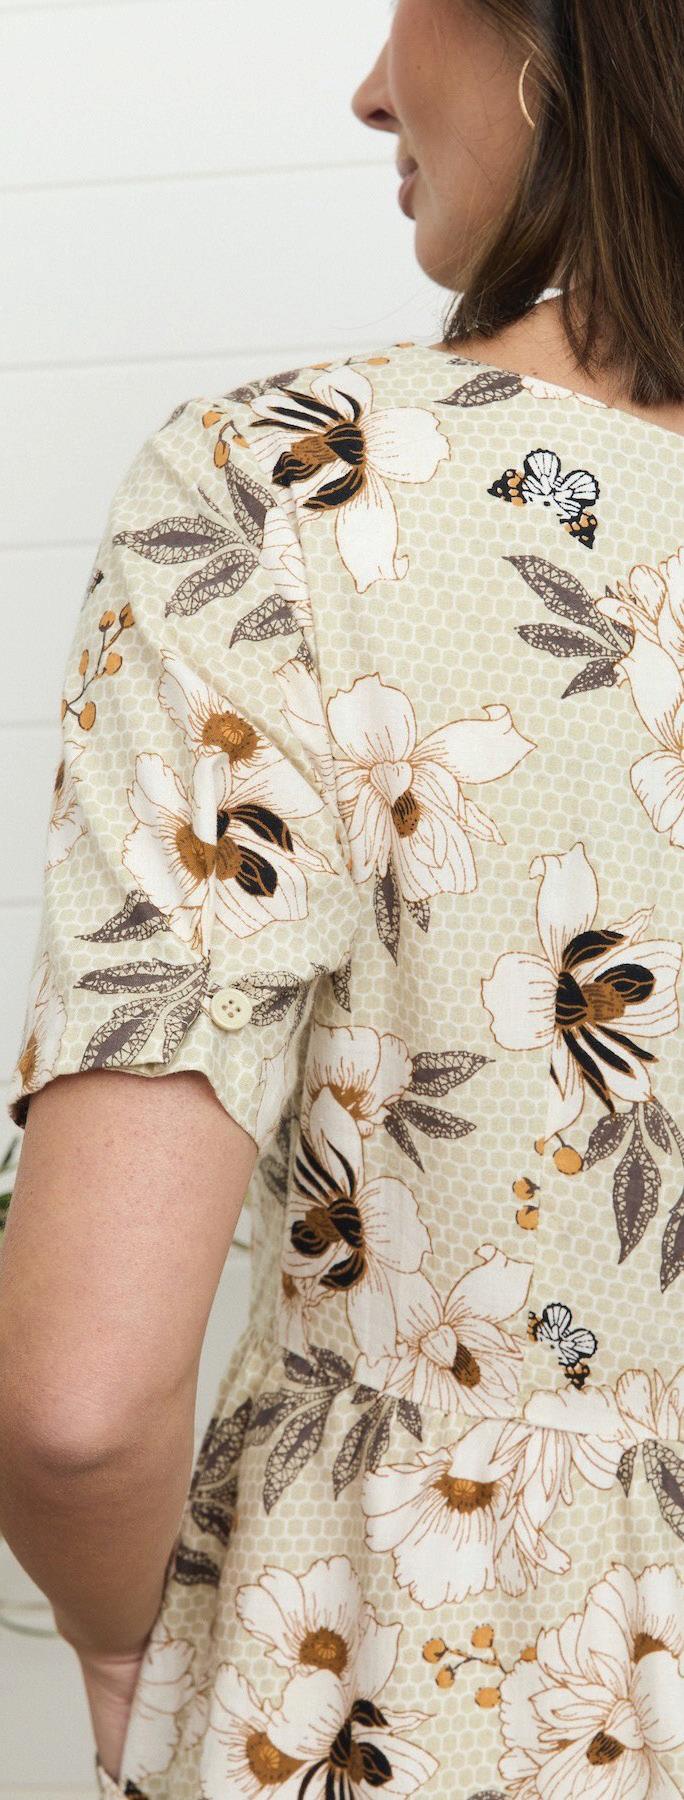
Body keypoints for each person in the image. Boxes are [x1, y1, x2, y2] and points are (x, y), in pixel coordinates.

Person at [1, 0, 683, 1794]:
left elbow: (79, 1405)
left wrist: (125, 1640)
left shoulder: (290, 498)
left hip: (414, 1696)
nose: (374, 89)